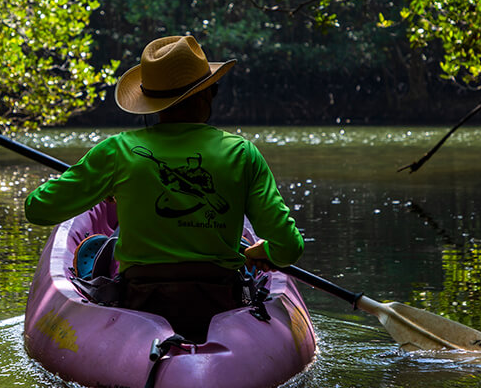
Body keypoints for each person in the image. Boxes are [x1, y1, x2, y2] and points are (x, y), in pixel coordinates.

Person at [24, 35, 303, 341]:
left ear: (151, 103)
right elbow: (289, 247)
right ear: (208, 94)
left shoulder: (117, 152)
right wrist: (262, 250)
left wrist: (100, 185)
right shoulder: (242, 153)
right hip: (221, 301)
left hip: (142, 302)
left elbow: (38, 209)